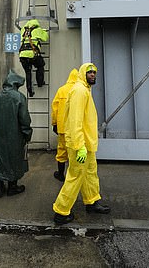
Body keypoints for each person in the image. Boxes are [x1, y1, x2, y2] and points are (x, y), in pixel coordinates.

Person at [52, 63, 111, 225]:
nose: (93, 74)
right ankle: (61, 211)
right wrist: (79, 147)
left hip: (87, 144)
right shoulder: (79, 91)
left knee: (90, 173)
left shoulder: (85, 90)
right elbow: (75, 121)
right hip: (81, 145)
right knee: (75, 176)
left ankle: (92, 201)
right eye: (89, 72)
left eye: (94, 72)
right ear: (82, 73)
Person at [0, 70, 33, 198]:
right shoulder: (19, 97)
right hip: (15, 135)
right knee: (14, 159)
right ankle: (12, 187)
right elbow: (24, 119)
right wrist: (27, 133)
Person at [50, 68, 79, 182]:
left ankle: (60, 174)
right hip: (75, 128)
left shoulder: (61, 90)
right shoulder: (80, 90)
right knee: (74, 152)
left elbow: (55, 108)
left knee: (62, 151)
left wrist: (54, 124)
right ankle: (73, 177)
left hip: (62, 127)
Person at [18, 19, 48, 97]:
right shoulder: (37, 30)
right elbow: (45, 38)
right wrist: (44, 31)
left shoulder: (23, 30)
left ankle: (30, 91)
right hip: (32, 54)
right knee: (40, 66)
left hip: (22, 55)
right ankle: (40, 83)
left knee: (28, 72)